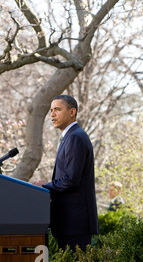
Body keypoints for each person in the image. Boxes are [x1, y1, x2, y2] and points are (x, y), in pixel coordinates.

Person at [33, 95, 99, 251]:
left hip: (75, 223)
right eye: (51, 110)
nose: (52, 115)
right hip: (68, 222)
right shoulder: (70, 136)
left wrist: (46, 186)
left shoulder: (75, 137)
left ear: (72, 112)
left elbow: (70, 180)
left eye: (57, 109)